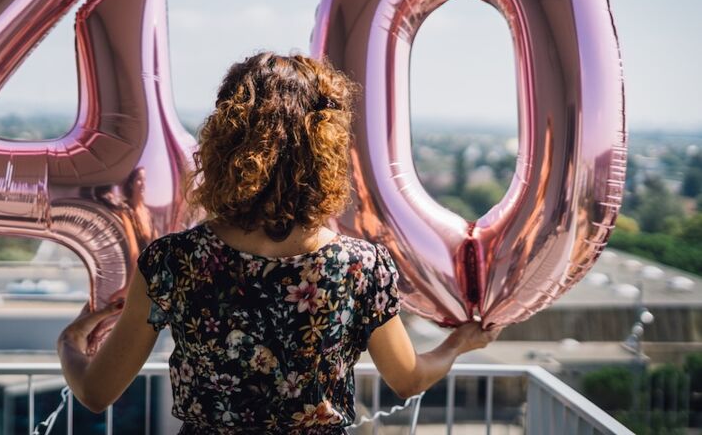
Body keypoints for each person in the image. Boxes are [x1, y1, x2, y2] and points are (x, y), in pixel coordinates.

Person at [57, 52, 502, 434]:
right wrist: (457, 344)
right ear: (326, 152)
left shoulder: (174, 262)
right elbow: (406, 379)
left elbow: (97, 393)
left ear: (224, 144)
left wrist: (69, 344)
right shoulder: (361, 267)